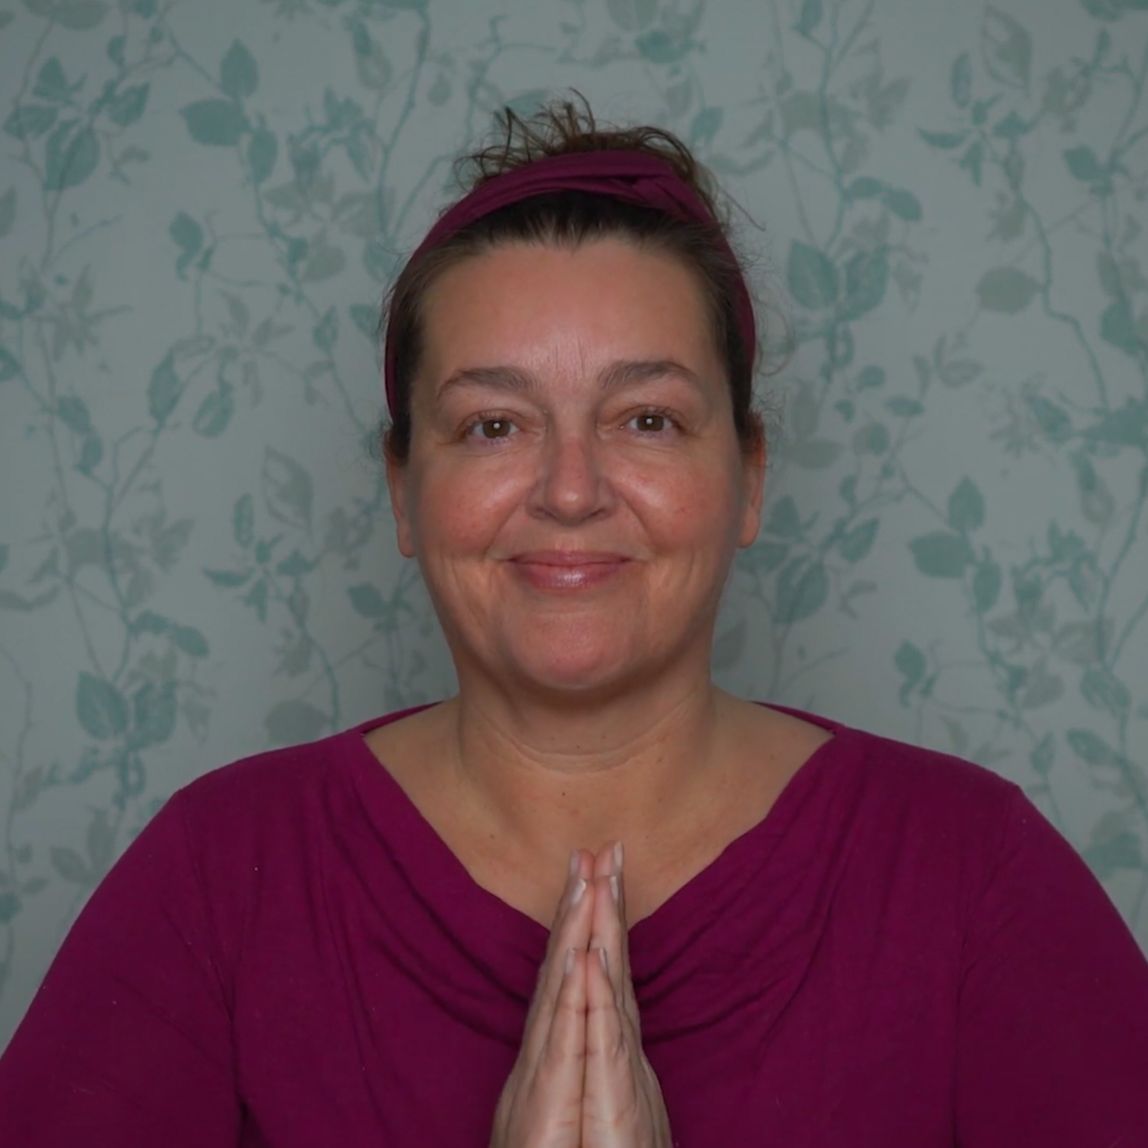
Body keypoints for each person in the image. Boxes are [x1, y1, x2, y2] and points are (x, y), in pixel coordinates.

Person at [1, 98, 1147, 1147]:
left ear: (747, 473)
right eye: (492, 425)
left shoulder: (970, 874)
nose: (567, 489)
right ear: (402, 489)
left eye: (645, 417)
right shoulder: (220, 877)